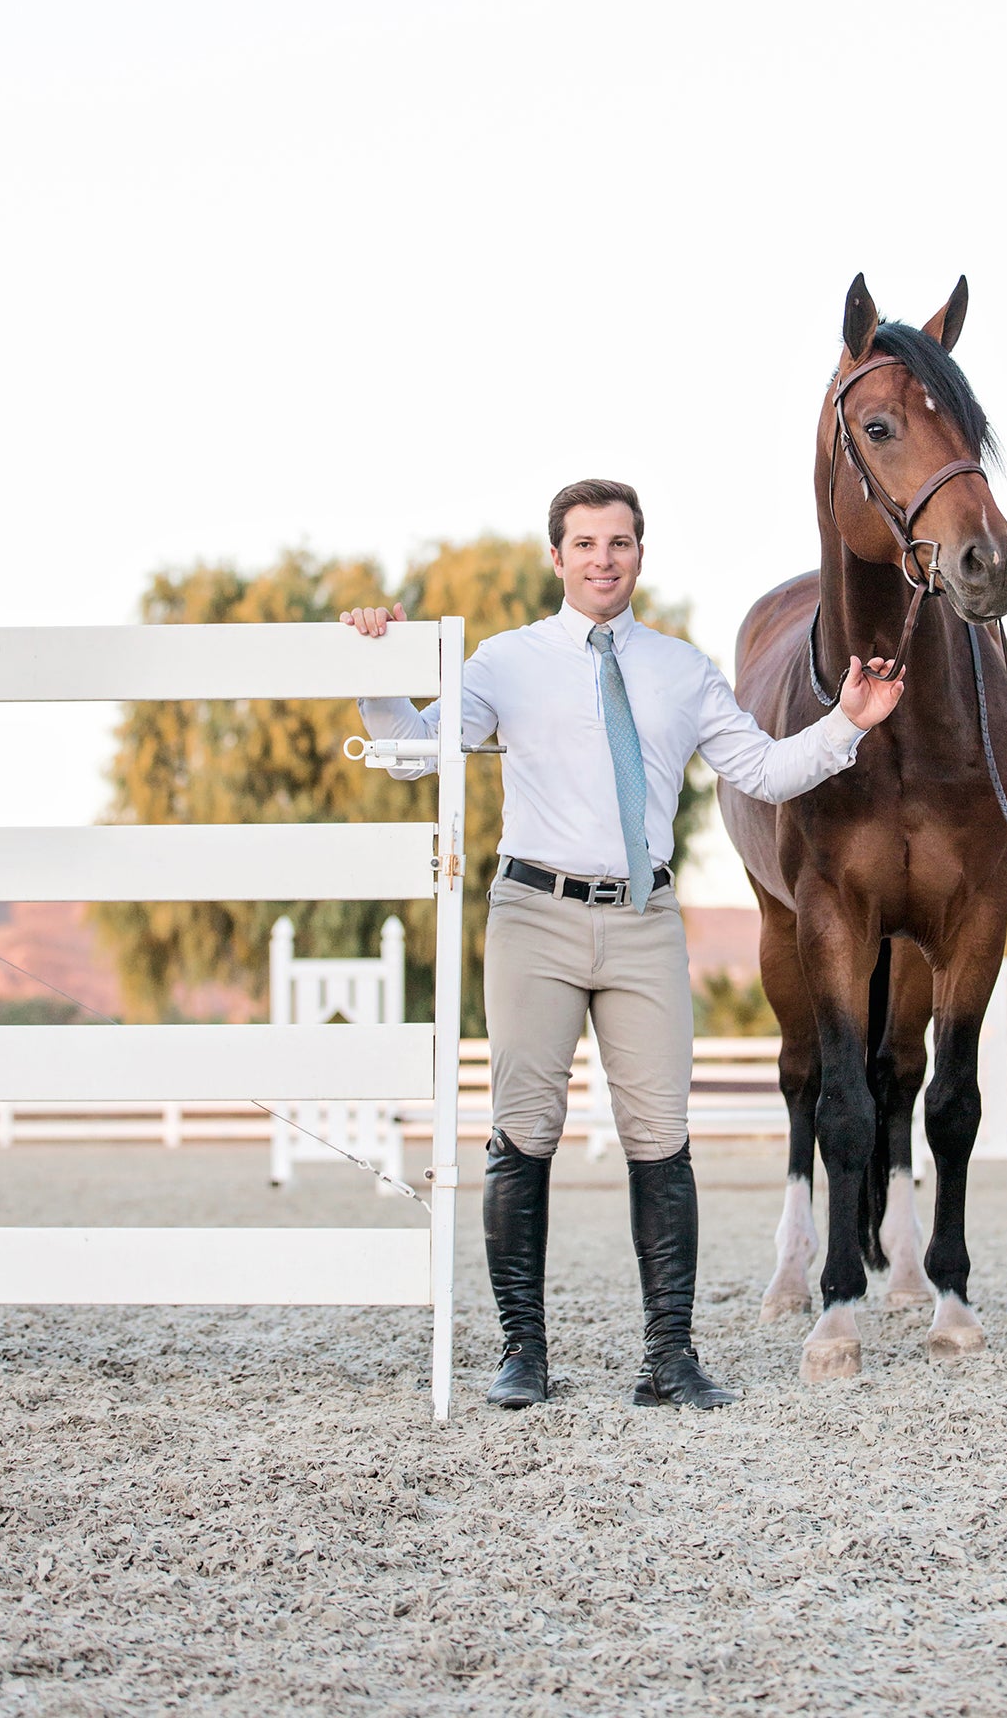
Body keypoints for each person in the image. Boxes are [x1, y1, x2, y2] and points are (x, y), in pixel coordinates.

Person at [342, 479, 904, 1411]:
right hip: (534, 917)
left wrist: (848, 723)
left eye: (620, 542)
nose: (603, 558)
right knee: (523, 1134)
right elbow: (416, 753)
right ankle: (523, 1352)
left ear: (640, 555)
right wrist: (374, 670)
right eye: (585, 543)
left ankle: (668, 1358)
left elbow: (762, 771)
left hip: (643, 923)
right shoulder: (503, 661)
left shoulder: (681, 670)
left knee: (660, 1140)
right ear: (555, 557)